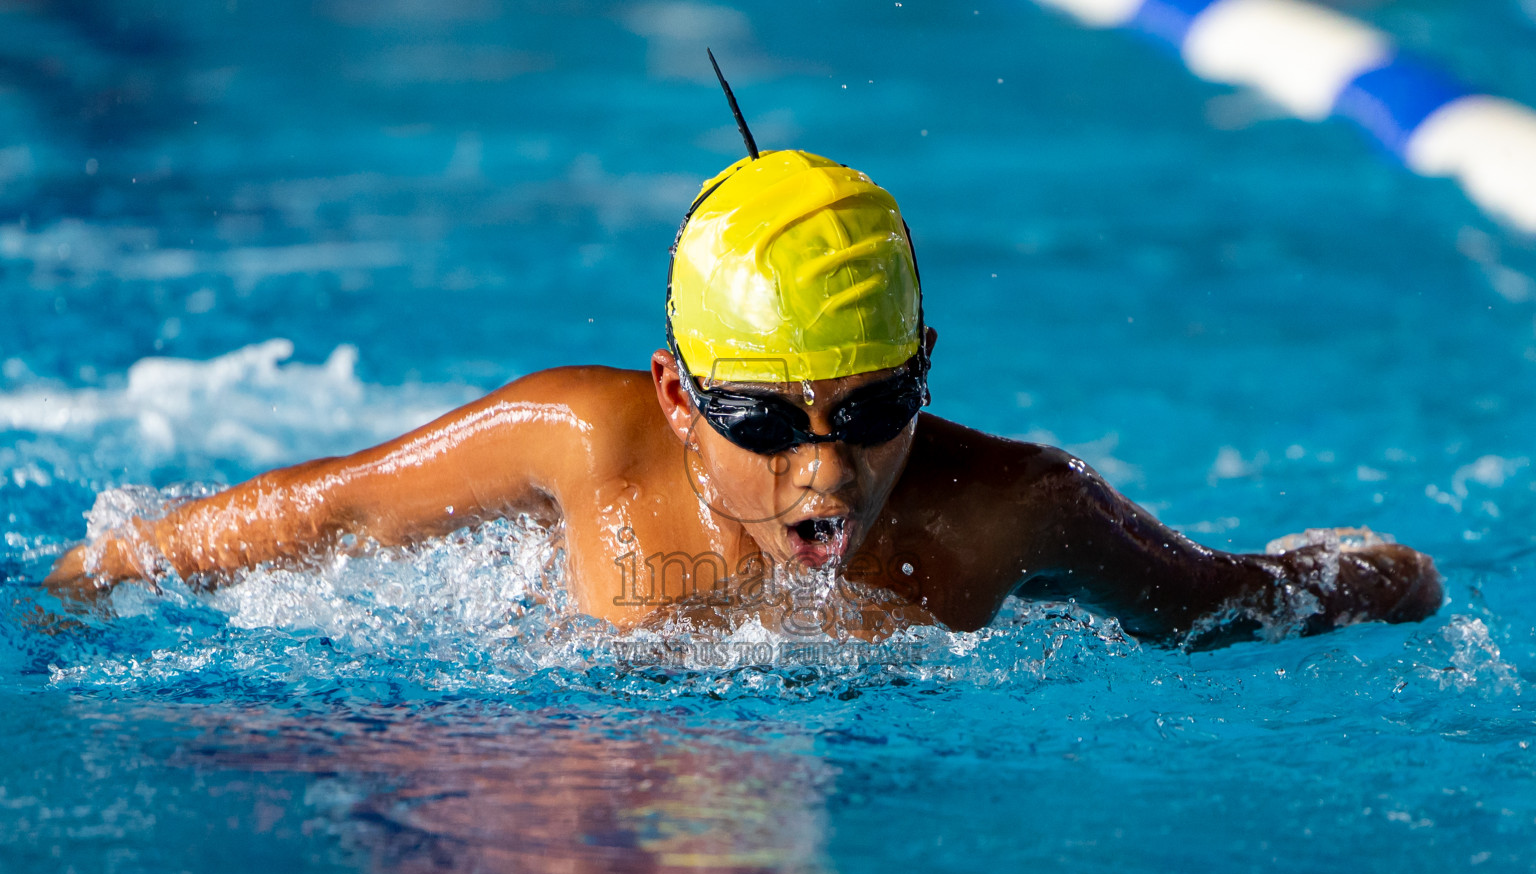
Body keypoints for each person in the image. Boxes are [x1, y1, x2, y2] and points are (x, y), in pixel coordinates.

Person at [45, 67, 1442, 647]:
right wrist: (81, 584)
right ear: (677, 396)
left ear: (927, 371)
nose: (828, 471)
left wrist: (1381, 574)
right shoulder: (583, 444)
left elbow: (1234, 602)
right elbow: (326, 511)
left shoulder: (1016, 510)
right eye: (767, 422)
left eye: (877, 407)